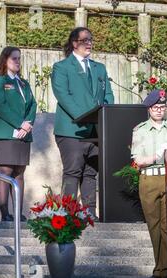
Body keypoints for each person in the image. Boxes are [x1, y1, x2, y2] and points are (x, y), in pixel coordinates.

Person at [51, 27, 114, 220]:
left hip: (95, 130)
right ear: (74, 43)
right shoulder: (61, 68)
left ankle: (89, 213)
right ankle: (68, 216)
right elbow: (63, 96)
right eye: (85, 39)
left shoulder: (99, 68)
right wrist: (85, 116)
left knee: (90, 174)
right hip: (72, 130)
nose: (89, 43)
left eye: (91, 39)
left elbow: (108, 95)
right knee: (73, 172)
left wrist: (107, 115)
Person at [131, 89, 167, 278]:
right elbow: (137, 160)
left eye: (162, 107)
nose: (159, 110)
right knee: (154, 226)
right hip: (149, 179)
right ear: (149, 109)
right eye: (155, 107)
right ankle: (162, 268)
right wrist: (155, 157)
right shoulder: (140, 130)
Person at [0, 46, 37, 222]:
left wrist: (27, 124)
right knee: (5, 170)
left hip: (24, 134)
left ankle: (17, 213)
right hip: (6, 133)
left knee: (19, 172)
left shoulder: (23, 83)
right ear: (5, 60)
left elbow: (33, 105)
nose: (18, 61)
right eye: (14, 58)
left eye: (19, 58)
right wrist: (19, 123)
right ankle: (5, 214)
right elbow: (0, 106)